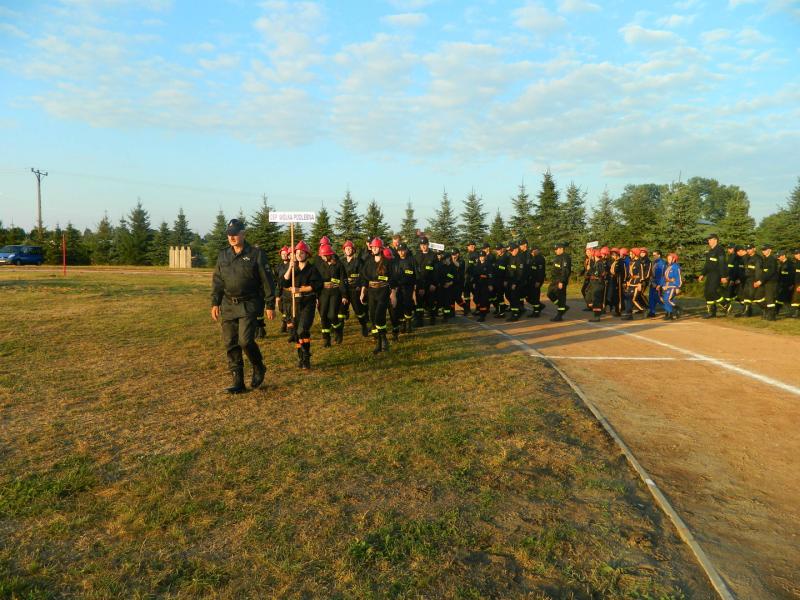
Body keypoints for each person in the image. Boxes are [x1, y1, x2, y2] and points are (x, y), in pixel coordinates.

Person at [211, 219, 276, 393]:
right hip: (228, 304)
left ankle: (258, 366)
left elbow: (267, 281)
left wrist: (270, 304)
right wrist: (215, 302)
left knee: (245, 341)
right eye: (229, 234)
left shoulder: (256, 254)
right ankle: (238, 382)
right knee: (230, 343)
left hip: (249, 303)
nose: (231, 237)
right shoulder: (223, 255)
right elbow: (217, 280)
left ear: (243, 234)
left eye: (235, 234)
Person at [279, 240, 322, 369]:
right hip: (295, 303)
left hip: (308, 302)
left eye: (301, 253)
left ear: (307, 254)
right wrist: (290, 268)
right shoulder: (293, 269)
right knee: (296, 332)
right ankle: (301, 358)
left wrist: (299, 289)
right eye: (297, 253)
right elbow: (283, 283)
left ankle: (306, 355)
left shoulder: (312, 269)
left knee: (302, 329)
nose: (298, 255)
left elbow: (316, 285)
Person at [360, 238, 397, 353]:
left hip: (383, 291)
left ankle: (383, 339)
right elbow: (364, 278)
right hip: (371, 292)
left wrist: (393, 294)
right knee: (372, 317)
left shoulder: (387, 262)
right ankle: (380, 342)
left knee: (379, 316)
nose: (374, 249)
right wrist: (362, 291)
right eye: (373, 247)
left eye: (377, 247)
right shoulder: (368, 262)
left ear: (381, 248)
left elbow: (392, 279)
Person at [316, 243, 348, 346]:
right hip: (323, 293)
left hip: (335, 293)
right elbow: (317, 281)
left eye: (324, 255)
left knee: (332, 315)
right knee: (323, 315)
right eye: (321, 256)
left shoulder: (338, 265)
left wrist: (344, 295)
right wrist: (316, 295)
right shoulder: (320, 266)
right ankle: (326, 338)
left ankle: (338, 330)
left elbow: (343, 280)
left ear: (329, 255)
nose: (322, 257)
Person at [341, 240, 370, 337]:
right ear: (344, 250)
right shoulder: (342, 262)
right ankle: (339, 332)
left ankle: (364, 326)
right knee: (341, 311)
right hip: (345, 290)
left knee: (358, 311)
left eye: (350, 248)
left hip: (355, 290)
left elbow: (362, 276)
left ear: (353, 250)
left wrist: (358, 284)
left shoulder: (359, 261)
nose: (348, 250)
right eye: (346, 248)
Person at [698, 233, 729, 319]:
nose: (708, 241)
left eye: (710, 239)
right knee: (707, 292)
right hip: (710, 274)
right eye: (708, 240)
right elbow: (707, 265)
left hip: (717, 274)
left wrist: (723, 276)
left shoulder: (720, 250)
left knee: (712, 291)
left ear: (715, 240)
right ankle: (711, 312)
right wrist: (702, 274)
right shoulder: (710, 251)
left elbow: (722, 264)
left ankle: (725, 304)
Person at [393, 242, 417, 334]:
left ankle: (409, 324)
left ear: (406, 250)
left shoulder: (412, 260)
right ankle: (402, 325)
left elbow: (416, 274)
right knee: (399, 306)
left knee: (408, 305)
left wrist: (416, 286)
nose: (401, 252)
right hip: (398, 287)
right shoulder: (395, 261)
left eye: (403, 250)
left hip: (408, 287)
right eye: (399, 251)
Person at [413, 236, 437, 327]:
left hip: (430, 284)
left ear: (428, 245)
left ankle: (432, 318)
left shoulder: (433, 256)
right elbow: (416, 272)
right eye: (421, 245)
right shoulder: (417, 256)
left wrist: (433, 284)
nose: (423, 246)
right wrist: (419, 286)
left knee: (431, 302)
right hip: (420, 284)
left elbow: (436, 271)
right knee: (419, 303)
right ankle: (419, 320)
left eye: (425, 244)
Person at [547, 242, 572, 321]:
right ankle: (563, 306)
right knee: (550, 294)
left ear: (561, 248)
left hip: (561, 280)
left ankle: (559, 315)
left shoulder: (565, 257)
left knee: (561, 297)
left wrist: (562, 281)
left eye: (556, 249)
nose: (555, 250)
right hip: (555, 280)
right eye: (555, 249)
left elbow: (565, 271)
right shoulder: (557, 257)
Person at [754, 244, 778, 321]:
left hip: (771, 282)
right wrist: (758, 280)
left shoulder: (772, 259)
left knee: (770, 299)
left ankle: (771, 316)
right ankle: (766, 310)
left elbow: (770, 272)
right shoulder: (764, 259)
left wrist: (761, 281)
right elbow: (762, 272)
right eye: (762, 250)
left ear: (770, 250)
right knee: (757, 297)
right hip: (764, 281)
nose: (763, 251)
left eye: (765, 250)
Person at [736, 244, 761, 317]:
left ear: (754, 249)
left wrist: (757, 280)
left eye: (750, 249)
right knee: (745, 295)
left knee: (750, 295)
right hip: (746, 279)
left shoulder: (757, 258)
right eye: (747, 249)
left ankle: (748, 312)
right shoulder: (747, 258)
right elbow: (745, 269)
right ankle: (745, 311)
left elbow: (758, 271)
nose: (748, 250)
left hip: (753, 279)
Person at [470, 251, 495, 321]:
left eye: (482, 256)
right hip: (478, 285)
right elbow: (475, 275)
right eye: (480, 256)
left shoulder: (488, 265)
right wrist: (474, 283)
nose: (481, 258)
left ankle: (482, 315)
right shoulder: (477, 265)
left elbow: (491, 276)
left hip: (485, 285)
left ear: (485, 257)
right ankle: (482, 310)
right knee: (476, 299)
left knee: (483, 300)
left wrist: (490, 284)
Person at [505, 242, 525, 321]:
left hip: (517, 282)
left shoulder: (520, 258)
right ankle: (517, 311)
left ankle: (515, 315)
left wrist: (515, 283)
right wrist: (506, 280)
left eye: (512, 250)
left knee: (515, 298)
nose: (510, 252)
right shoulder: (511, 257)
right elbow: (508, 270)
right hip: (510, 281)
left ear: (516, 249)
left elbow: (520, 273)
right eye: (510, 250)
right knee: (510, 296)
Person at [587, 248, 608, 322]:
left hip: (598, 284)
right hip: (595, 283)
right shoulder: (597, 263)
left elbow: (597, 273)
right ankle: (597, 312)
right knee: (591, 298)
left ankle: (597, 316)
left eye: (593, 255)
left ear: (595, 255)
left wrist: (589, 269)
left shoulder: (599, 263)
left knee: (596, 300)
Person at [661, 253, 683, 320]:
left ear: (674, 259)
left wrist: (678, 287)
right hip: (667, 286)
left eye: (670, 259)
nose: (668, 260)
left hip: (673, 286)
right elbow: (665, 277)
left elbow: (678, 278)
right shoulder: (668, 266)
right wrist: (664, 285)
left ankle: (677, 309)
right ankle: (670, 314)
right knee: (665, 300)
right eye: (668, 259)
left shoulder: (676, 267)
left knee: (667, 299)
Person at [275, 245, 291, 333]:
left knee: (287, 308)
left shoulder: (292, 265)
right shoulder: (278, 267)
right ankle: (285, 321)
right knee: (281, 308)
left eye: (286, 254)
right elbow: (278, 281)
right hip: (281, 289)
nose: (284, 255)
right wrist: (277, 295)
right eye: (282, 254)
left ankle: (286, 324)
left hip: (289, 290)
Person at [527, 245, 546, 317]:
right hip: (531, 280)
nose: (532, 253)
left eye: (533, 251)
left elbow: (541, 272)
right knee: (529, 296)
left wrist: (538, 281)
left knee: (535, 296)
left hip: (537, 280)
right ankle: (539, 306)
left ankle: (536, 312)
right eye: (531, 252)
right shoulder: (532, 257)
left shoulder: (540, 259)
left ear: (537, 250)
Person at [463, 241, 480, 315]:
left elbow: (477, 268)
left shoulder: (477, 255)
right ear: (467, 247)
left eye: (473, 245)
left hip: (473, 279)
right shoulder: (467, 255)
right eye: (470, 245)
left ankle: (478, 309)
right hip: (466, 278)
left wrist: (474, 279)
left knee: (476, 295)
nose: (472, 246)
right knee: (466, 295)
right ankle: (467, 309)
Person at [648, 250, 666, 318]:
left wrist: (660, 284)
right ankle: (652, 312)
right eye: (653, 255)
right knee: (651, 298)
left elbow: (662, 275)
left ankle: (669, 310)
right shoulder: (654, 262)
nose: (653, 256)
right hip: (653, 283)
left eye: (655, 255)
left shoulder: (662, 263)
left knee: (658, 298)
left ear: (659, 255)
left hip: (658, 283)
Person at [777, 250, 793, 317]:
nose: (778, 258)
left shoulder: (790, 264)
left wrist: (791, 284)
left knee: (784, 299)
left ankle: (776, 311)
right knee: (783, 299)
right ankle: (777, 311)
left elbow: (792, 275)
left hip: (788, 285)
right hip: (782, 285)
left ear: (783, 256)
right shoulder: (781, 264)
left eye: (779, 256)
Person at [791, 248, 800, 318]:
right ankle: (796, 313)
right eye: (795, 254)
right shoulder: (797, 262)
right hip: (796, 284)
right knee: (796, 298)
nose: (795, 255)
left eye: (797, 254)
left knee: (796, 298)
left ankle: (796, 313)